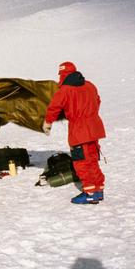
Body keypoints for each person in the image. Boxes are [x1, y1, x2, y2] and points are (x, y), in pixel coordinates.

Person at [43, 62, 106, 204]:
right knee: (92, 159)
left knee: (82, 162)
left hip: (79, 131)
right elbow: (98, 100)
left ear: (62, 75)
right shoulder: (90, 85)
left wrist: (48, 122)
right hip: (95, 127)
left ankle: (90, 192)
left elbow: (54, 107)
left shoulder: (65, 90)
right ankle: (98, 189)